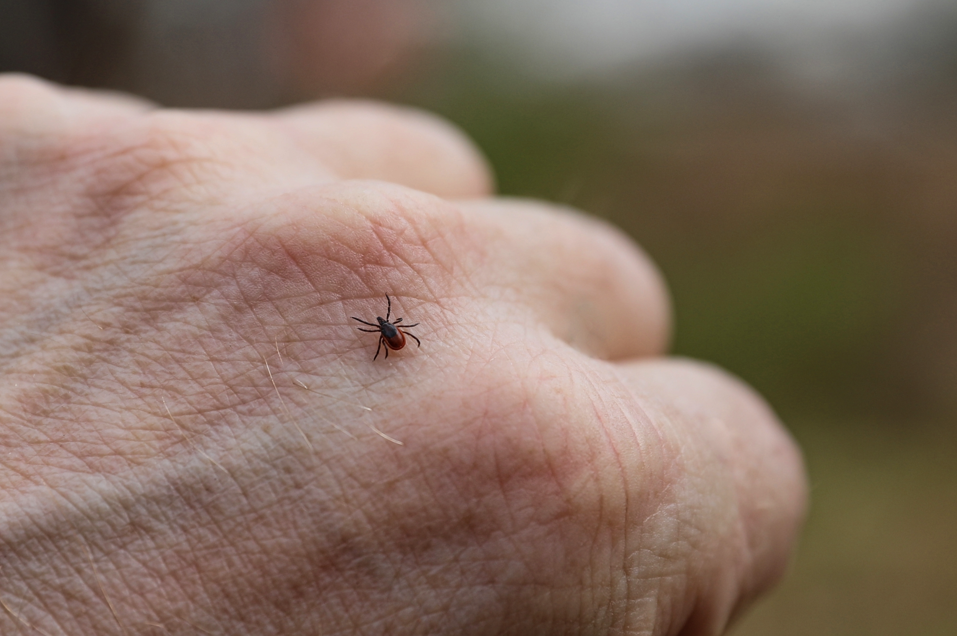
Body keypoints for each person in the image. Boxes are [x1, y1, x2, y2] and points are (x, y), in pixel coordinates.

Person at [0, 74, 807, 635]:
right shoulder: (390, 331)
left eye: (391, 330)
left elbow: (389, 335)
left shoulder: (385, 333)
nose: (388, 334)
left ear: (392, 330)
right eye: (387, 330)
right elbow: (391, 334)